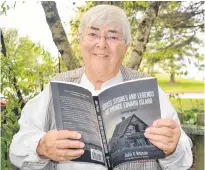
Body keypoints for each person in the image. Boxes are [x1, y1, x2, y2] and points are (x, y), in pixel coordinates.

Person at [10, 4, 193, 170]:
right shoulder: (55, 89)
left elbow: (183, 159)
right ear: (81, 40)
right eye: (93, 34)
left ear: (126, 46)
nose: (102, 44)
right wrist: (40, 147)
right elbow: (17, 148)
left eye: (113, 36)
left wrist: (173, 148)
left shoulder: (149, 90)